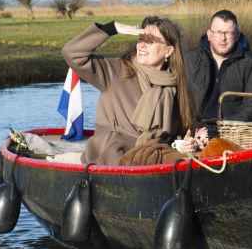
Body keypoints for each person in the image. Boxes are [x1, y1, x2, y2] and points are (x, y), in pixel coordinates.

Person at [61, 16, 202, 165]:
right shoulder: (116, 70)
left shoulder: (174, 87)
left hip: (150, 159)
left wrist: (183, 144)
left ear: (168, 51)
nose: (142, 45)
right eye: (141, 39)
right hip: (111, 159)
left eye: (151, 41)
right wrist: (112, 28)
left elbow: (175, 136)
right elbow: (72, 53)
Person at [186, 9, 252, 140]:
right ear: (209, 34)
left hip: (232, 134)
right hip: (192, 132)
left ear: (237, 35)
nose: (223, 38)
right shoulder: (190, 58)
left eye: (228, 33)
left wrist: (216, 130)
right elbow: (178, 99)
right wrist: (190, 132)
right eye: (218, 32)